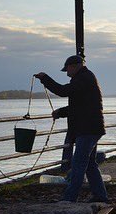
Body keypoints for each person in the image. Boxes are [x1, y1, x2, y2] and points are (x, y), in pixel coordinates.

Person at [34, 55, 109, 203]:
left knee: (78, 164)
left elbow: (62, 91)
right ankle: (100, 196)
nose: (67, 73)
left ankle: (69, 198)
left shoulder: (84, 78)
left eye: (67, 69)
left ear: (75, 66)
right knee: (89, 164)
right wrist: (60, 112)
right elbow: (79, 106)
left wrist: (45, 78)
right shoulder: (84, 78)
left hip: (87, 129)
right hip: (91, 128)